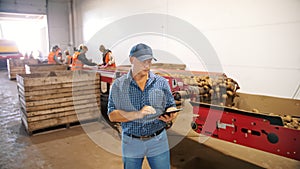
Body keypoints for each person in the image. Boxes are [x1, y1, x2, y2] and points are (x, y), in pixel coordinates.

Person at [107, 43, 178, 169]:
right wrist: (137, 114)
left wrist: (171, 113)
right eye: (142, 61)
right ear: (131, 59)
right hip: (131, 142)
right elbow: (112, 115)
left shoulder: (160, 83)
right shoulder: (119, 85)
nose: (147, 66)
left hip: (158, 140)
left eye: (149, 61)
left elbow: (171, 105)